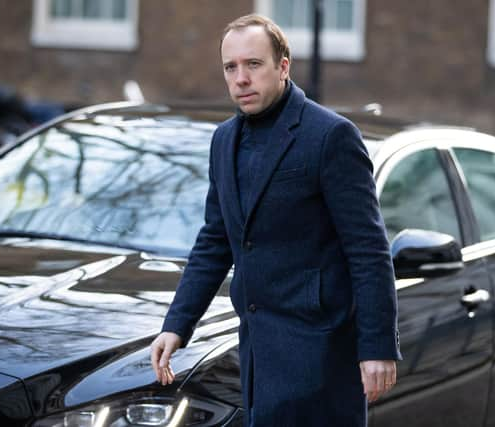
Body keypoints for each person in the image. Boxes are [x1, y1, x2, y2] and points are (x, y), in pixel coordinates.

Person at [150, 14, 401, 427]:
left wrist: (376, 347)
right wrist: (177, 324)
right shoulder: (223, 140)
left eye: (254, 64)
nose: (241, 78)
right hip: (256, 355)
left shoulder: (331, 136)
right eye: (231, 67)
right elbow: (216, 239)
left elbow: (369, 249)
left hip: (321, 355)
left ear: (283, 67)